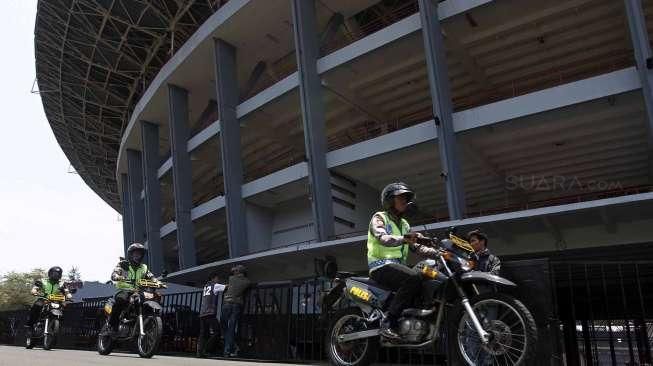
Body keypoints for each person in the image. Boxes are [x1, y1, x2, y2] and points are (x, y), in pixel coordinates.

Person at [367, 182, 439, 340]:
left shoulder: (405, 224)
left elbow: (417, 248)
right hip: (381, 266)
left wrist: (439, 253)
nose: (405, 201)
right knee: (413, 278)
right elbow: (383, 238)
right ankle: (388, 322)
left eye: (406, 198)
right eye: (401, 198)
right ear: (390, 200)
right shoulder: (380, 217)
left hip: (398, 267)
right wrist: (405, 238)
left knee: (426, 277)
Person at [105, 243, 158, 335]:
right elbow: (115, 274)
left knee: (146, 301)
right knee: (122, 299)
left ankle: (140, 323)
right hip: (124, 290)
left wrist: (156, 282)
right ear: (131, 254)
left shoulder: (144, 267)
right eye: (135, 253)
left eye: (139, 253)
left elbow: (151, 277)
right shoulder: (123, 264)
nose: (138, 255)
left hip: (137, 292)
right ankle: (113, 326)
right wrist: (118, 277)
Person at [25, 266, 72, 336]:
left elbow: (67, 292)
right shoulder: (42, 281)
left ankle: (58, 325)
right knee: (37, 305)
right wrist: (34, 291)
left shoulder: (62, 284)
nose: (56, 275)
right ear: (50, 273)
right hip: (44, 299)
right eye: (55, 273)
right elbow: (35, 288)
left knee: (66, 308)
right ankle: (30, 325)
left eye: (58, 274)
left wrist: (69, 296)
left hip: (56, 301)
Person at [221, 264, 252, 357]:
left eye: (236, 270)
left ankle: (231, 347)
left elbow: (231, 271)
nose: (234, 271)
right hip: (236, 305)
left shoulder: (231, 278)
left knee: (224, 326)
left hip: (226, 303)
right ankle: (229, 349)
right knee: (231, 328)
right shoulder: (247, 282)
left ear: (238, 272)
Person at [197, 271, 226, 358]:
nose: (218, 280)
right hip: (210, 312)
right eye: (217, 278)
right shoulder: (215, 285)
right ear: (213, 278)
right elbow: (226, 287)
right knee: (217, 332)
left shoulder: (205, 286)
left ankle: (199, 352)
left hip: (202, 313)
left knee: (203, 334)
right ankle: (207, 349)